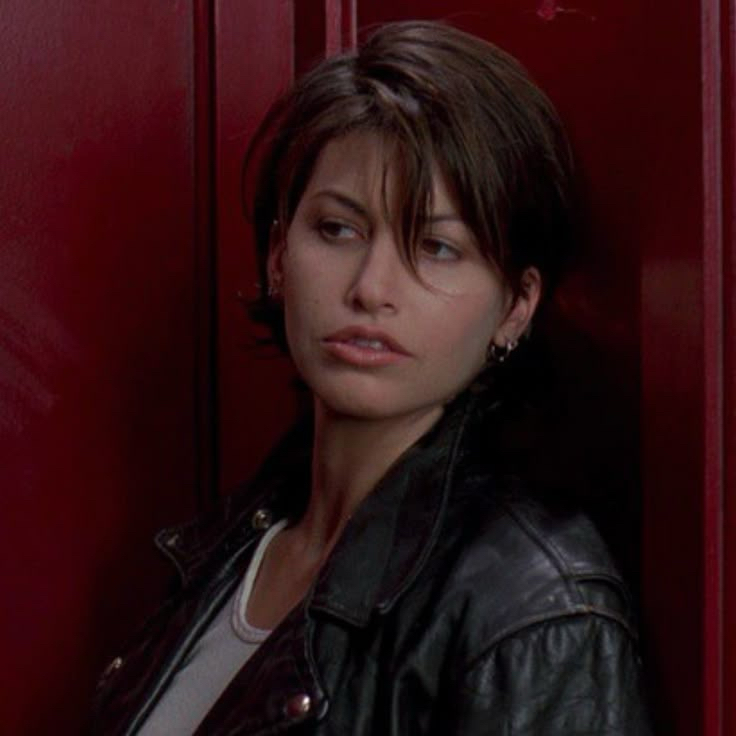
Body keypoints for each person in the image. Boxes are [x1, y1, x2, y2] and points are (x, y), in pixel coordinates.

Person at [92, 20, 653, 735]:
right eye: (338, 229)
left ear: (516, 305)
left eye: (437, 246)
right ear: (278, 256)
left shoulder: (536, 603)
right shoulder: (228, 548)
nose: (370, 288)